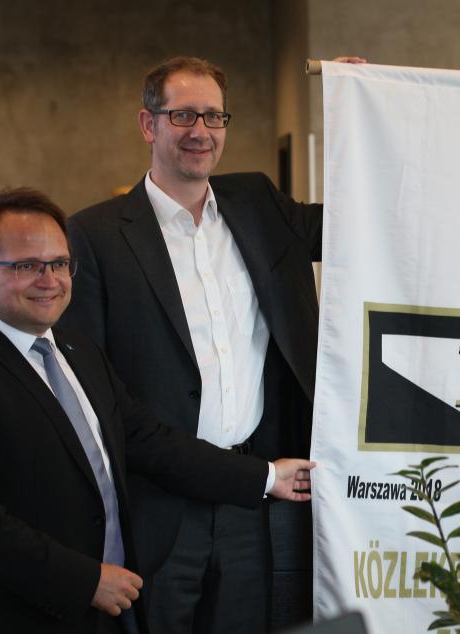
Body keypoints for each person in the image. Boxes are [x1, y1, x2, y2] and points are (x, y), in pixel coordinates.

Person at [57, 55, 360, 632]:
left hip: (256, 504)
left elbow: (357, 226)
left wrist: (357, 100)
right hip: (156, 508)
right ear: (148, 124)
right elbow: (92, 393)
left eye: (214, 116)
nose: (201, 131)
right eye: (183, 115)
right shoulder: (93, 236)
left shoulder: (260, 205)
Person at [0, 188, 315, 634]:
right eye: (26, 266)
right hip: (22, 614)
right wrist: (85, 581)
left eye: (59, 263)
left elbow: (147, 440)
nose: (50, 279)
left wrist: (267, 477)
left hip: (108, 611)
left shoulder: (77, 353)